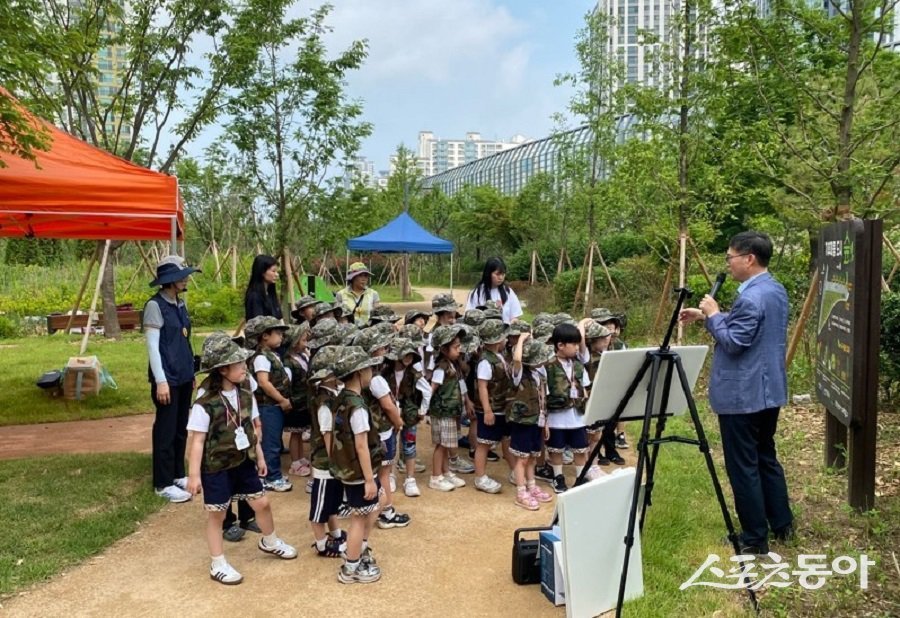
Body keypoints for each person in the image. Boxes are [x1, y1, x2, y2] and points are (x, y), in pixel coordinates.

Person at [680, 230, 793, 554]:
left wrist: (714, 315)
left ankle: (754, 538)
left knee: (743, 465)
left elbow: (735, 342)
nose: (728, 264)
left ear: (749, 258)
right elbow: (751, 323)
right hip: (769, 391)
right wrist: (707, 317)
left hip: (743, 396)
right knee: (765, 456)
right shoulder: (774, 289)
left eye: (730, 257)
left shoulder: (750, 296)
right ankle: (781, 524)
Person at [185, 333, 297, 585]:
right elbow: (197, 442)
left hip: (244, 461)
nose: (244, 369)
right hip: (216, 467)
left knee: (263, 503)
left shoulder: (246, 395)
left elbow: (251, 429)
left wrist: (259, 458)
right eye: (239, 365)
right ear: (223, 370)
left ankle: (270, 541)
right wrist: (193, 476)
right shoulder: (205, 404)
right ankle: (218, 562)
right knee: (218, 514)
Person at [144, 255, 201, 503]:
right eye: (182, 275)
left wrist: (191, 373)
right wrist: (161, 380)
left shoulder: (179, 304)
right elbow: (153, 348)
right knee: (165, 431)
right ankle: (163, 482)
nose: (186, 278)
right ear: (170, 280)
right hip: (167, 379)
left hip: (183, 377)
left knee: (180, 429)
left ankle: (178, 473)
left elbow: (184, 342)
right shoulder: (155, 306)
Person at [328, 346, 385, 584]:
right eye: (369, 367)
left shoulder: (341, 398)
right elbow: (361, 445)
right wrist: (369, 479)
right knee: (358, 518)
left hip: (347, 467)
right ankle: (351, 566)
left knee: (377, 501)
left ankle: (359, 547)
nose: (372, 371)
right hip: (360, 471)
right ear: (358, 372)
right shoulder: (358, 407)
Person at [306, 346, 347, 558]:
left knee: (332, 502)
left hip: (333, 464)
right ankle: (322, 544)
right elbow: (327, 434)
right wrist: (335, 460)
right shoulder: (324, 401)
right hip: (325, 463)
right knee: (320, 507)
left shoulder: (334, 394)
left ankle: (336, 533)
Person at [245, 316, 293, 492]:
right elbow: (264, 383)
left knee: (274, 440)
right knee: (270, 443)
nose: (281, 337)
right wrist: (281, 400)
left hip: (274, 407)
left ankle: (271, 474)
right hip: (268, 407)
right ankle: (271, 477)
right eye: (278, 333)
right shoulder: (261, 358)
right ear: (265, 336)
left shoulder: (272, 355)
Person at [508, 336, 555, 510]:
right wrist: (520, 339)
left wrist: (546, 422)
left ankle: (532, 485)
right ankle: (521, 492)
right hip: (523, 421)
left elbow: (543, 399)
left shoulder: (540, 373)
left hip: (538, 420)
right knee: (522, 458)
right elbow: (518, 359)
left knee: (533, 456)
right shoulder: (519, 374)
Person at [545, 322, 592, 494]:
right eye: (574, 344)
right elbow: (543, 392)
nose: (577, 347)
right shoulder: (548, 366)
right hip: (556, 417)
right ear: (560, 345)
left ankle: (581, 477)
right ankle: (558, 476)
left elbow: (585, 388)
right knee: (555, 449)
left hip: (577, 417)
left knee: (580, 449)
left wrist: (588, 410)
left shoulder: (578, 365)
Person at [472, 320, 513, 494]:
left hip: (502, 407)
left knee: (507, 439)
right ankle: (480, 477)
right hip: (491, 409)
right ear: (497, 339)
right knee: (484, 444)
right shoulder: (485, 362)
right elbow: (482, 386)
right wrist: (487, 410)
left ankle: (514, 471)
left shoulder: (499, 356)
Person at [428, 324, 470, 492]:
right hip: (442, 412)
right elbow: (432, 388)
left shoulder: (453, 365)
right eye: (455, 347)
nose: (459, 350)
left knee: (446, 444)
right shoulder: (442, 368)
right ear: (444, 349)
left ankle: (445, 472)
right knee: (441, 445)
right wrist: (424, 409)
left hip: (450, 412)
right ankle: (435, 476)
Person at [283, 324, 312, 477]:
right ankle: (295, 462)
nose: (305, 342)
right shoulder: (288, 362)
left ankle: (300, 457)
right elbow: (287, 383)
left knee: (300, 432)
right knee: (295, 433)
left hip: (304, 402)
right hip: (295, 402)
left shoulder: (302, 356)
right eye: (303, 340)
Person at [465, 257, 523, 324]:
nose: (501, 277)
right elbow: (469, 316)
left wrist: (514, 321)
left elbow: (515, 315)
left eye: (503, 274)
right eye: (497, 274)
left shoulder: (508, 292)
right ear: (488, 273)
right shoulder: (477, 293)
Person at [335, 262, 380, 327]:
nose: (364, 279)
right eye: (360, 275)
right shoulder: (341, 294)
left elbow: (377, 315)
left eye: (366, 276)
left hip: (368, 332)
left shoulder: (373, 294)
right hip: (348, 332)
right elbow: (338, 316)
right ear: (352, 277)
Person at [244, 255, 282, 321]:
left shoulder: (271, 294)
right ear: (262, 272)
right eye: (273, 271)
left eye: (277, 272)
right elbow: (258, 326)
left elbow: (279, 318)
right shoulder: (254, 296)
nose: (277, 274)